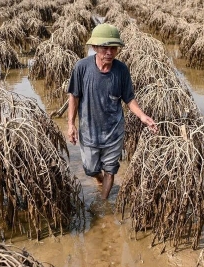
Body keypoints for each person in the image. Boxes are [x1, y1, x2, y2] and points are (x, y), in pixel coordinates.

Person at [67, 23, 157, 200]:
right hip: (89, 131)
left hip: (114, 132)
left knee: (110, 169)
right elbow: (74, 97)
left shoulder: (121, 70)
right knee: (91, 169)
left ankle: (103, 201)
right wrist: (71, 124)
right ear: (95, 47)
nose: (109, 52)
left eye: (113, 48)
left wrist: (143, 116)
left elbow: (129, 98)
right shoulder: (82, 68)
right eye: (104, 48)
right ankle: (98, 178)